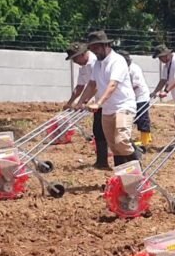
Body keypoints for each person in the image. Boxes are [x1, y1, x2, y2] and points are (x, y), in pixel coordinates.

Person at [75, 31, 139, 167]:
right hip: (108, 110)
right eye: (92, 49)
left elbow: (113, 85)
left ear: (106, 45)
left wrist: (98, 103)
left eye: (96, 48)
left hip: (123, 106)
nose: (94, 52)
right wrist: (80, 102)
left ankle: (138, 172)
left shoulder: (117, 61)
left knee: (122, 140)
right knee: (114, 146)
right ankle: (122, 178)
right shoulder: (97, 64)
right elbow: (92, 85)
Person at [65, 41, 108, 170]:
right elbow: (80, 86)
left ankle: (133, 154)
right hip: (98, 103)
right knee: (98, 131)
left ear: (83, 54)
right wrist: (70, 102)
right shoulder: (84, 67)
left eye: (75, 58)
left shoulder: (94, 63)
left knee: (112, 133)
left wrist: (83, 102)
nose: (74, 61)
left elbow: (95, 85)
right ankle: (102, 162)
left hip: (106, 101)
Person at [119, 50, 153, 150]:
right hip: (131, 98)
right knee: (133, 119)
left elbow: (136, 85)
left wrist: (125, 93)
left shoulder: (134, 69)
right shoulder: (122, 69)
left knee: (142, 118)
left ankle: (145, 140)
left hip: (140, 97)